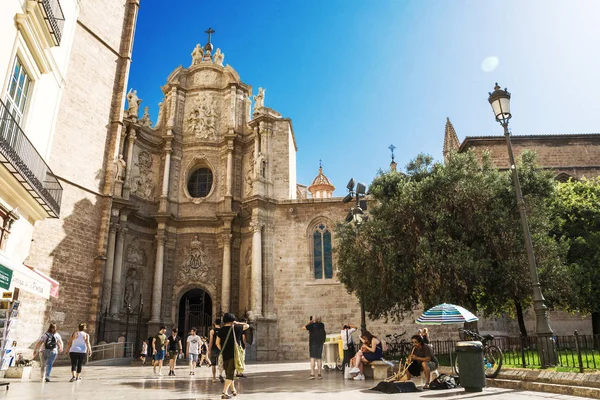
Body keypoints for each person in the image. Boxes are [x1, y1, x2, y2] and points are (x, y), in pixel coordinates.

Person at [216, 313, 249, 399]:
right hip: (234, 354)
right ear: (232, 320)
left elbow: (217, 343)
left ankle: (233, 390)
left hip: (225, 354)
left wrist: (223, 349)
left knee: (228, 373)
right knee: (230, 374)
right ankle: (224, 392)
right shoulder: (237, 328)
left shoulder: (221, 330)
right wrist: (237, 323)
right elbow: (247, 325)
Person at [302, 315, 326, 380]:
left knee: (312, 358)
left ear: (313, 319)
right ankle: (319, 374)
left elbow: (303, 327)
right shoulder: (322, 325)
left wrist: (309, 322)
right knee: (319, 358)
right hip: (320, 343)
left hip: (313, 343)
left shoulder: (311, 325)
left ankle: (312, 374)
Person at [208, 318, 224, 383]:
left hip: (214, 349)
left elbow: (211, 341)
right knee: (221, 363)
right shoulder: (223, 330)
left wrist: (209, 349)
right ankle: (220, 374)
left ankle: (214, 378)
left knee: (213, 364)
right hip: (221, 348)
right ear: (220, 323)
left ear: (214, 323)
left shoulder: (212, 331)